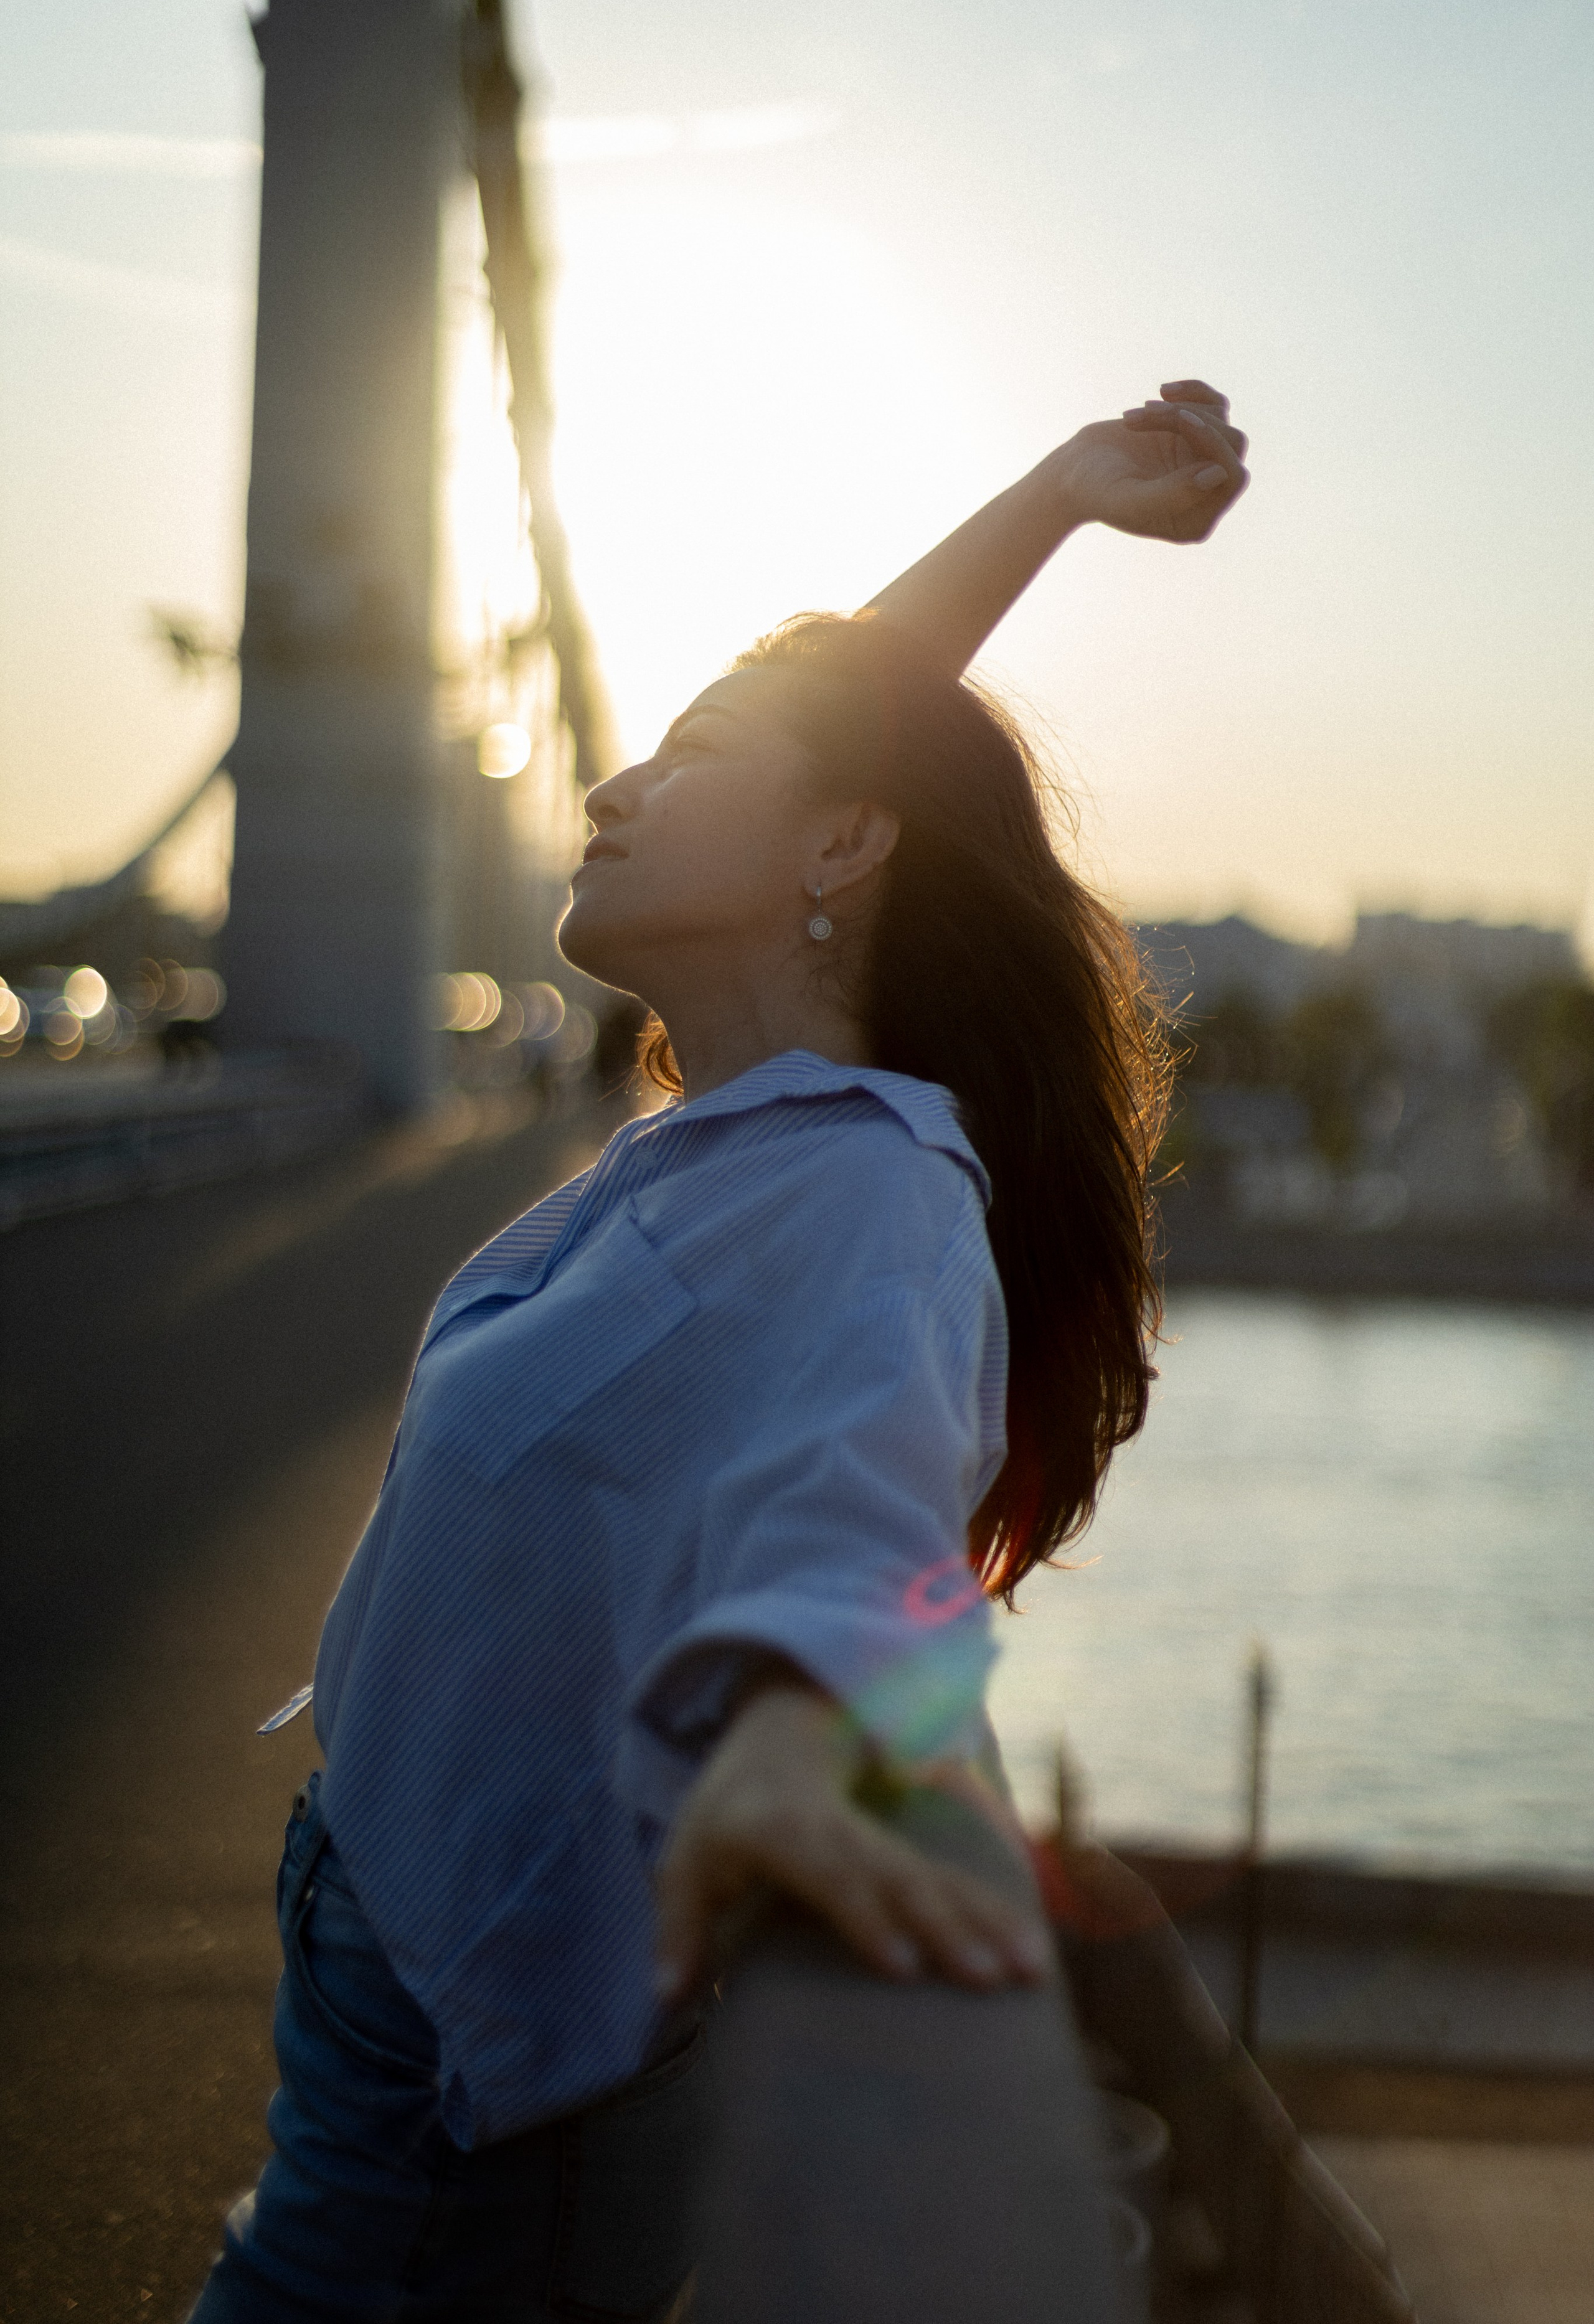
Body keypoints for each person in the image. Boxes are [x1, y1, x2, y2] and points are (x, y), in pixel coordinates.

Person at [188, 381, 1250, 2321]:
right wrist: (1054, 497)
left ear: (845, 849)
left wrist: (797, 1743)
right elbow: (838, 727)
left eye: (680, 761)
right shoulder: (747, 1134)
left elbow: (862, 1520)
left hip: (464, 2097)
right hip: (386, 1973)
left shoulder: (873, 1201)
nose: (608, 786)